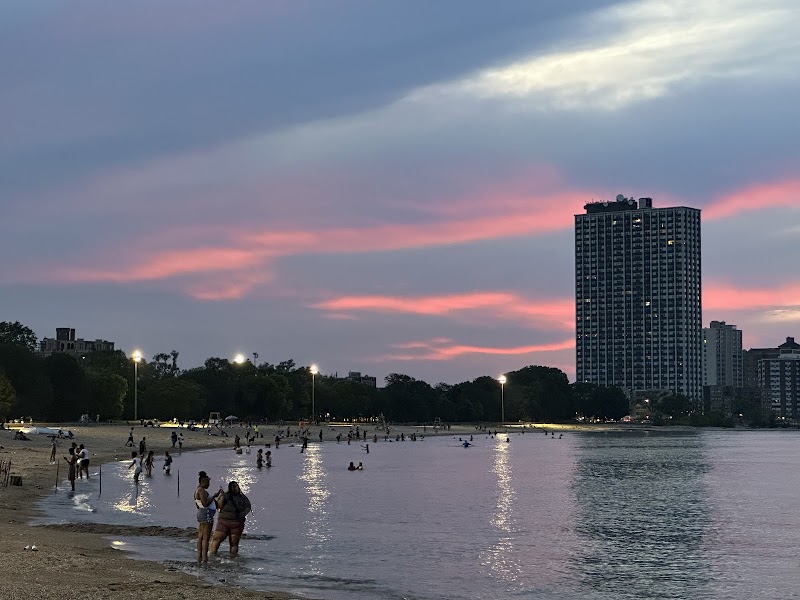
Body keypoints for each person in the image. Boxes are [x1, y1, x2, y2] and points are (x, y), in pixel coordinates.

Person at [210, 481, 251, 558]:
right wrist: (222, 496)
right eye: (233, 486)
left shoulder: (243, 497)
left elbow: (248, 507)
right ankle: (212, 556)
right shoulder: (225, 496)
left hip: (237, 523)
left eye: (236, 486)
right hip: (224, 522)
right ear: (230, 488)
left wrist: (243, 514)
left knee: (234, 543)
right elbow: (219, 506)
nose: (235, 488)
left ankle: (233, 559)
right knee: (216, 540)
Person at [195, 471, 222, 564]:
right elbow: (205, 503)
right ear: (203, 481)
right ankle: (205, 558)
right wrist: (214, 496)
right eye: (208, 483)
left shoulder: (197, 489)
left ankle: (199, 557)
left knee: (201, 537)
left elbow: (197, 505)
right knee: (206, 538)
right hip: (206, 514)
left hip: (202, 513)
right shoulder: (201, 490)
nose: (209, 484)